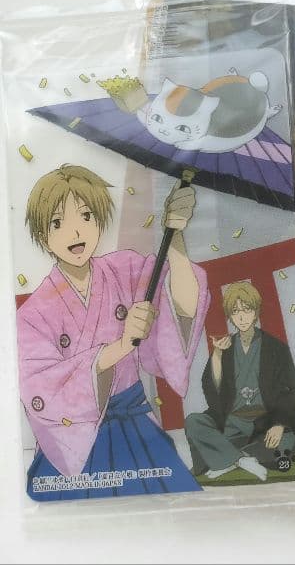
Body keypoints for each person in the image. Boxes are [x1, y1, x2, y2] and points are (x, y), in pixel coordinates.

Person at [18, 165, 210, 500]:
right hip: (75, 441)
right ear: (42, 235)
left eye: (86, 216)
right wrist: (122, 345)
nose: (75, 232)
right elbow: (42, 388)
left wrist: (176, 237)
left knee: (168, 506)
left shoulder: (125, 269)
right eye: (58, 222)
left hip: (136, 423)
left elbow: (182, 303)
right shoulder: (33, 314)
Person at [184, 282, 295, 481]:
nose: (241, 317)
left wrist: (279, 424)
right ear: (230, 316)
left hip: (265, 421)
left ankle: (226, 458)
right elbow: (212, 393)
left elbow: (290, 390)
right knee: (193, 422)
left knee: (286, 440)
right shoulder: (225, 348)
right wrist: (217, 355)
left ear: (256, 311)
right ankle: (242, 460)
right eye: (235, 311)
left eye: (246, 309)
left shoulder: (276, 347)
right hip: (231, 422)